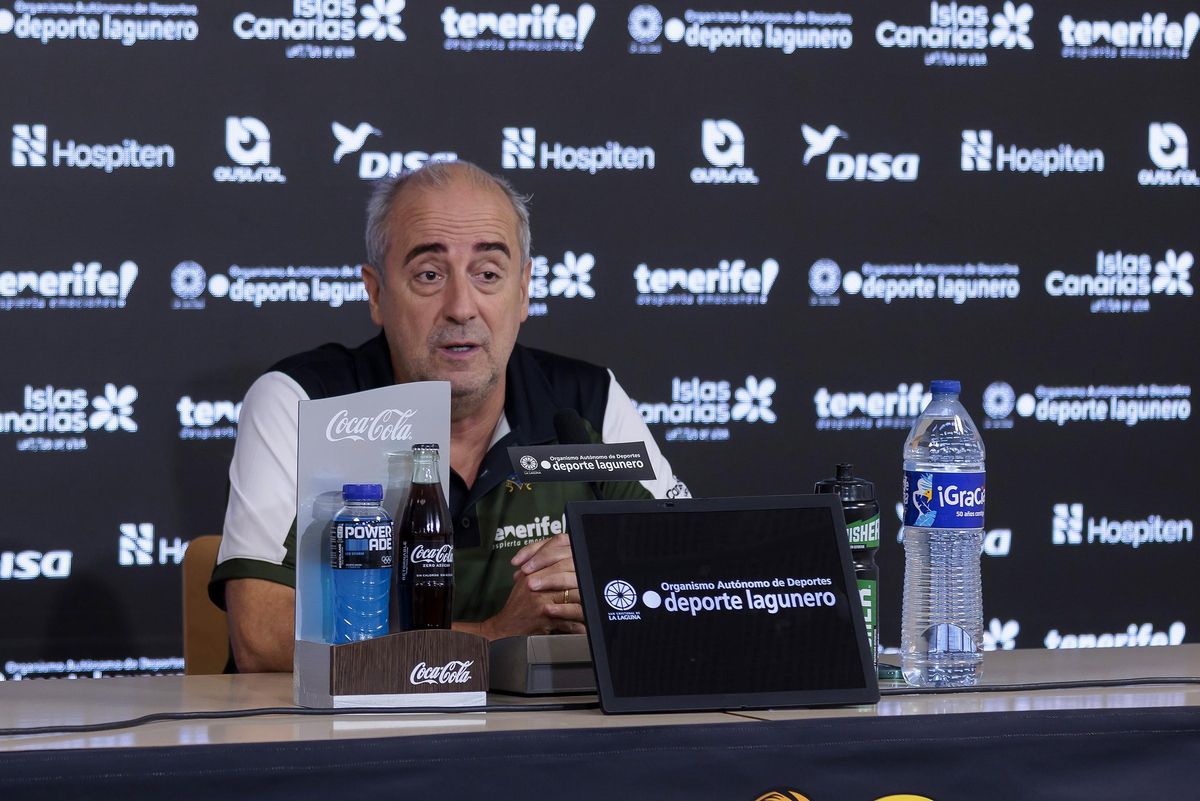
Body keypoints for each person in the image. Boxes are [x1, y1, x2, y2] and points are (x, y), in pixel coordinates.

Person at [209, 161, 688, 672]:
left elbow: (696, 581)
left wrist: (616, 581)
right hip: (338, 745)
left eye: (487, 274)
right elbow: (261, 638)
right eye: (430, 275)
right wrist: (494, 639)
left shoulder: (589, 401)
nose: (462, 307)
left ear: (523, 290)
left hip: (543, 740)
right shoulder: (302, 402)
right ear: (376, 293)